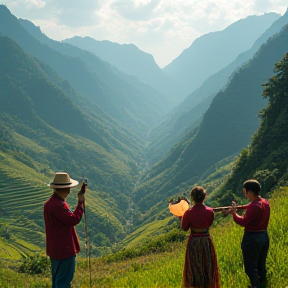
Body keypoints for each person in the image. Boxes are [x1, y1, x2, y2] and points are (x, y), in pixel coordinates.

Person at [44, 172, 86, 288]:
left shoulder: (49, 203)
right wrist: (80, 203)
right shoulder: (59, 205)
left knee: (57, 280)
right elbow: (73, 220)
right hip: (64, 250)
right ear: (67, 188)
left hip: (55, 250)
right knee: (63, 282)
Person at [227, 179, 270, 288]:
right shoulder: (265, 202)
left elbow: (243, 221)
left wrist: (234, 213)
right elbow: (250, 206)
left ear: (249, 192)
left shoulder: (253, 207)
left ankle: (255, 285)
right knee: (261, 263)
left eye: (245, 191)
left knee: (250, 267)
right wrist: (238, 208)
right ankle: (262, 283)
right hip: (264, 236)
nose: (244, 193)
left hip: (252, 238)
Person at [181, 186, 220, 288]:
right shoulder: (210, 211)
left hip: (193, 241)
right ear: (204, 197)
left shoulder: (188, 213)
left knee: (194, 266)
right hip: (206, 240)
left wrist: (182, 217)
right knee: (208, 265)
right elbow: (210, 223)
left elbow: (184, 227)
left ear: (192, 198)